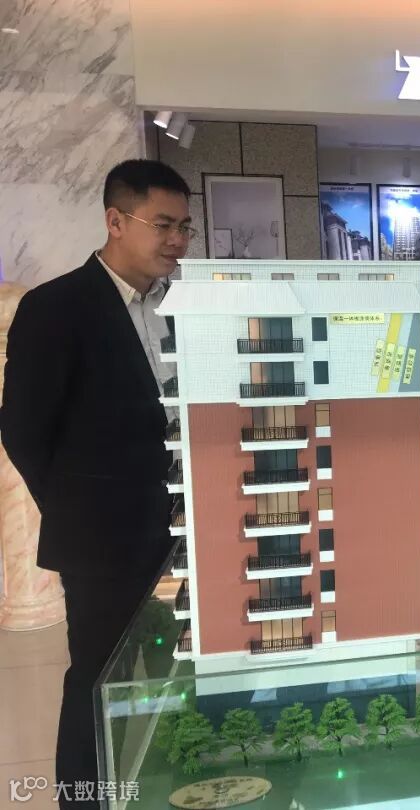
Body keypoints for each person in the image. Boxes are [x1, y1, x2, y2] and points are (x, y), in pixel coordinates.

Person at [1, 159, 194, 805]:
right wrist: (77, 508)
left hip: (179, 527)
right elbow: (24, 430)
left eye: (184, 227)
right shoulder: (57, 307)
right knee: (96, 677)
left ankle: (155, 781)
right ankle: (83, 798)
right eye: (163, 225)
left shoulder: (177, 306)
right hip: (101, 539)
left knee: (165, 668)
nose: (177, 240)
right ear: (115, 221)